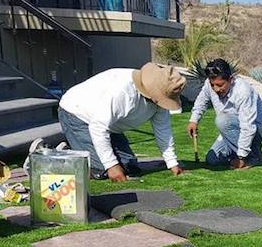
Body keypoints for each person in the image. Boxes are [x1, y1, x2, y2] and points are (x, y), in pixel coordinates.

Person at [58, 63, 186, 182]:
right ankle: (63, 155)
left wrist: (172, 163)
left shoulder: (160, 103)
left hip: (111, 126)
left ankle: (81, 149)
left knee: (129, 166)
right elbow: (98, 127)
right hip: (77, 115)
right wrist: (111, 165)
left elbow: (163, 131)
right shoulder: (123, 92)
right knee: (102, 171)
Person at [186, 58, 262, 169]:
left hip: (255, 130)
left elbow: (248, 126)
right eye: (213, 85)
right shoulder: (209, 84)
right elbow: (201, 101)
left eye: (220, 85)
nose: (215, 89)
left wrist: (241, 157)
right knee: (212, 160)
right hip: (231, 128)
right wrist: (193, 120)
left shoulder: (243, 91)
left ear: (230, 80)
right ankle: (240, 152)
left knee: (222, 120)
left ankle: (252, 156)